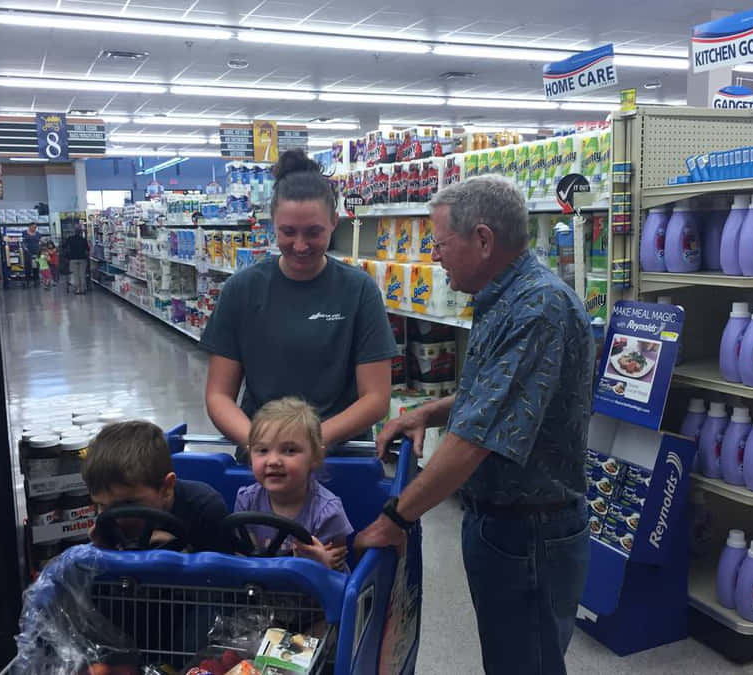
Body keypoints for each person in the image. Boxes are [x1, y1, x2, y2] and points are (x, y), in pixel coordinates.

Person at [354, 176, 595, 675]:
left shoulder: (538, 308)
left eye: (441, 243)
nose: (434, 255)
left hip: (529, 534)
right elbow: (491, 393)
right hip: (504, 526)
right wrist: (428, 412)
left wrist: (394, 519)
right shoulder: (503, 297)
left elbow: (473, 442)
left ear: (483, 240)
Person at [201, 149, 397, 453]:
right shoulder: (241, 290)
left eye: (314, 232)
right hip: (262, 458)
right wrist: (262, 446)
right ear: (273, 223)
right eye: (288, 232)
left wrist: (309, 443)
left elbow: (376, 398)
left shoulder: (359, 290)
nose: (301, 245)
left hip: (340, 456)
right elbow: (218, 395)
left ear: (334, 222)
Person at [234, 397, 351, 570]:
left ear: (315, 457)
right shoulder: (246, 500)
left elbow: (338, 575)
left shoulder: (327, 513)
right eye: (263, 450)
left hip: (311, 585)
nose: (273, 461)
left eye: (289, 450)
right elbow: (238, 557)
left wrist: (321, 563)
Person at [82, 420, 229, 552]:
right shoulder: (109, 523)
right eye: (102, 505)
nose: (117, 520)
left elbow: (224, 569)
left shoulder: (205, 508)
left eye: (128, 503)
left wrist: (179, 550)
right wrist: (103, 548)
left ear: (167, 488)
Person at [66, 227, 89, 294]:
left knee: (75, 275)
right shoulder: (83, 240)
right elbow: (87, 249)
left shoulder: (70, 239)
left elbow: (64, 246)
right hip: (82, 259)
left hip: (73, 259)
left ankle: (77, 289)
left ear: (74, 232)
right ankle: (83, 289)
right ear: (80, 232)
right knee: (82, 274)